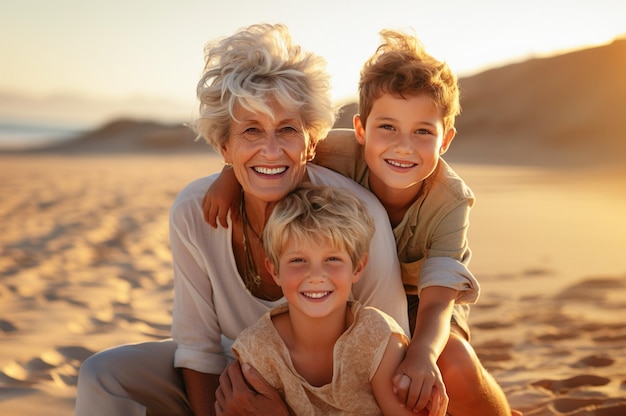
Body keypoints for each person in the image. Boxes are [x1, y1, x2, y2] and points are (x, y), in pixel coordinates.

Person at [74, 23, 408, 416]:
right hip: (232, 376)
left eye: (287, 130)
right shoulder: (194, 211)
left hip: (333, 393)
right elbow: (197, 349)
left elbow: (390, 341)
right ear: (224, 147)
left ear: (311, 142)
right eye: (251, 131)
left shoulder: (356, 214)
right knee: (103, 374)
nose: (271, 151)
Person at [203, 29, 518, 415]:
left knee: (446, 362)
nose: (403, 145)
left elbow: (438, 301)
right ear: (360, 130)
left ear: (446, 139)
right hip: (347, 287)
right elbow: (273, 151)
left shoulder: (449, 200)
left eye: (423, 132)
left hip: (424, 302)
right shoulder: (334, 151)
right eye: (387, 127)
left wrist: (420, 353)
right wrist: (228, 175)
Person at [232, 183, 443, 415]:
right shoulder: (258, 351)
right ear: (274, 271)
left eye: (332, 259)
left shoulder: (377, 338)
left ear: (357, 268)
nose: (315, 276)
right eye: (298, 261)